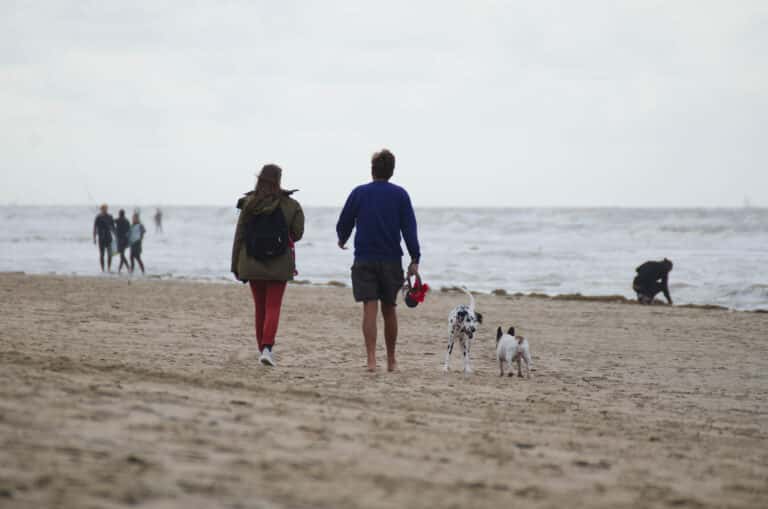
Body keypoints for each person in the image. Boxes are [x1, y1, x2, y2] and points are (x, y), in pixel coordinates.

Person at [336, 149, 421, 372]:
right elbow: (409, 229)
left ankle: (372, 360)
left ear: (372, 170)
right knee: (390, 310)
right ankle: (391, 360)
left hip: (364, 258)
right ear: (391, 171)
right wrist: (415, 257)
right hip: (391, 260)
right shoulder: (401, 195)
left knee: (369, 309)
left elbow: (345, 220)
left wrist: (342, 238)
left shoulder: (359, 193)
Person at [231, 164, 304, 367]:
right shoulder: (291, 205)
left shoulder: (248, 203)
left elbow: (239, 236)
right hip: (279, 264)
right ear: (279, 180)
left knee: (260, 308)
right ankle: (267, 349)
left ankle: (261, 349)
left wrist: (235, 265)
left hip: (251, 262)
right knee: (273, 307)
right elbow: (297, 233)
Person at [93, 204, 115, 272]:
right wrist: (94, 238)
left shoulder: (110, 217)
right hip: (101, 238)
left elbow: (113, 227)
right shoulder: (98, 217)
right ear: (101, 209)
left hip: (108, 237)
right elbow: (95, 228)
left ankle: (108, 268)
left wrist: (116, 236)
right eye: (103, 209)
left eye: (105, 208)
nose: (104, 210)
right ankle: (102, 269)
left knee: (110, 254)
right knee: (102, 255)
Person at [115, 209, 132, 273]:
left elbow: (112, 222)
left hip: (120, 240)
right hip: (125, 240)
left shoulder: (118, 220)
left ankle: (128, 267)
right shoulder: (127, 221)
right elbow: (129, 231)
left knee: (122, 255)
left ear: (119, 214)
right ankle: (119, 269)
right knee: (122, 255)